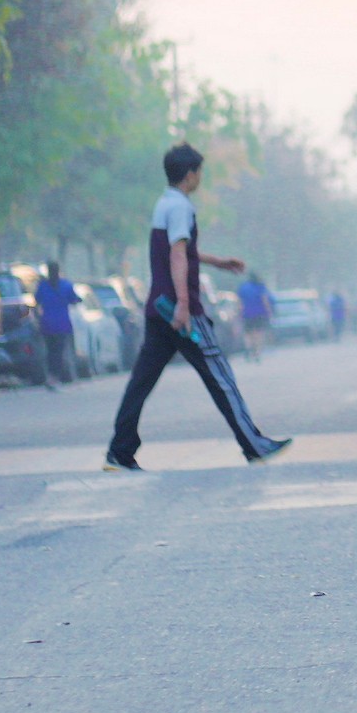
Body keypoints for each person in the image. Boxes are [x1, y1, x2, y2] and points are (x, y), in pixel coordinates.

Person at [107, 143, 285, 469]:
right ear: (190, 175)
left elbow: (179, 251)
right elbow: (177, 255)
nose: (200, 177)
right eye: (199, 171)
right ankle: (254, 444)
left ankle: (119, 451)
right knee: (221, 377)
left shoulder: (164, 204)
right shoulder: (181, 207)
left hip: (158, 308)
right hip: (181, 314)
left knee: (141, 382)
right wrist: (185, 305)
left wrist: (217, 262)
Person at [36, 260, 80, 386]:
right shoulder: (66, 285)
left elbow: (37, 300)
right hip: (62, 323)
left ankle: (51, 376)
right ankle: (56, 377)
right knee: (59, 352)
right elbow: (74, 299)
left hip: (47, 323)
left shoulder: (43, 286)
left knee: (50, 351)